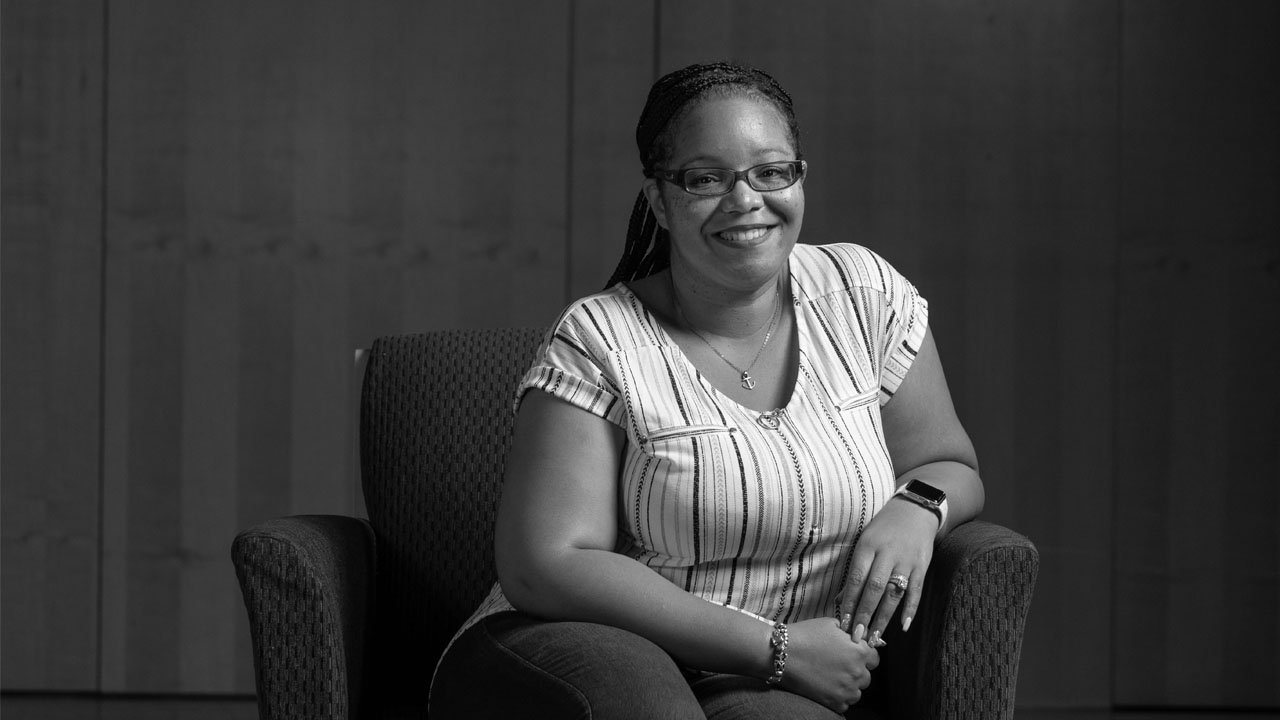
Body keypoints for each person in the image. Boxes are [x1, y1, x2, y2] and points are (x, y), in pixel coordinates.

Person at [430, 61, 983, 719]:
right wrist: (776, 647)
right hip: (582, 644)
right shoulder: (599, 337)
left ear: (799, 177)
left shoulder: (864, 298)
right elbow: (546, 564)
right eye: (705, 178)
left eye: (771, 171)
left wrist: (918, 506)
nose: (745, 200)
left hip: (764, 679)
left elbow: (948, 463)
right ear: (661, 200)